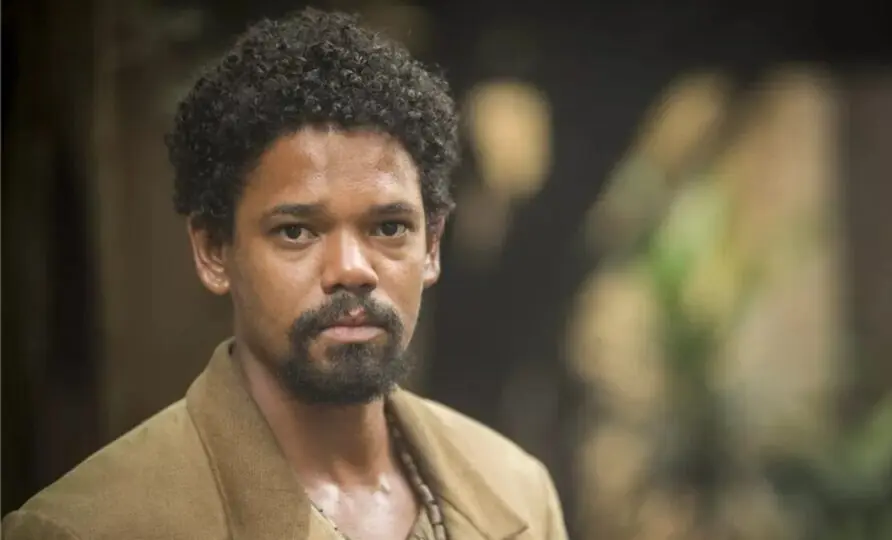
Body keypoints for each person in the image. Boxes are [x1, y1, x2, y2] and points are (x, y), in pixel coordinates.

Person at [2, 7, 568, 540]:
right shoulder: (86, 527)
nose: (352, 269)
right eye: (296, 231)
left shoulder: (516, 491)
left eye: (390, 227)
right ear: (213, 251)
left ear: (433, 247)